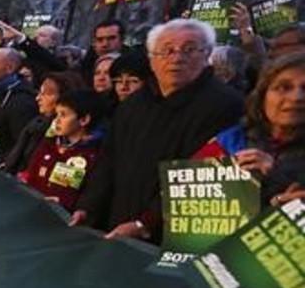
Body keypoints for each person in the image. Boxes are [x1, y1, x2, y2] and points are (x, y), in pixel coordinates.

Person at [73, 19, 244, 241]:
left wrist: (145, 222)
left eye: (189, 49)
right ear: (151, 59)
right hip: (117, 226)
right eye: (167, 50)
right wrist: (88, 207)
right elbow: (108, 160)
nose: (177, 57)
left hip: (173, 234)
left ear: (207, 54)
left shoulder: (226, 104)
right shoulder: (132, 104)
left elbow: (203, 177)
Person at [193, 52, 305, 205]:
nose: (297, 97)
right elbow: (187, 198)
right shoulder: (229, 140)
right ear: (262, 96)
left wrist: (276, 176)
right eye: (283, 87)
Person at [18, 89, 105, 212]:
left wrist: (65, 204)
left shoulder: (94, 153)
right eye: (56, 114)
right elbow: (30, 174)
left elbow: (91, 195)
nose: (57, 120)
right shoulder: (48, 143)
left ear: (84, 120)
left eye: (63, 115)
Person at [2, 71, 85, 174]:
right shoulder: (35, 124)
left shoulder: (70, 134)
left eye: (47, 94)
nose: (38, 98)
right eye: (40, 92)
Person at [80, 19, 127, 85]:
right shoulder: (82, 69)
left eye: (111, 38)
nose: (105, 44)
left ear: (122, 40)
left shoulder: (135, 64)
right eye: (100, 39)